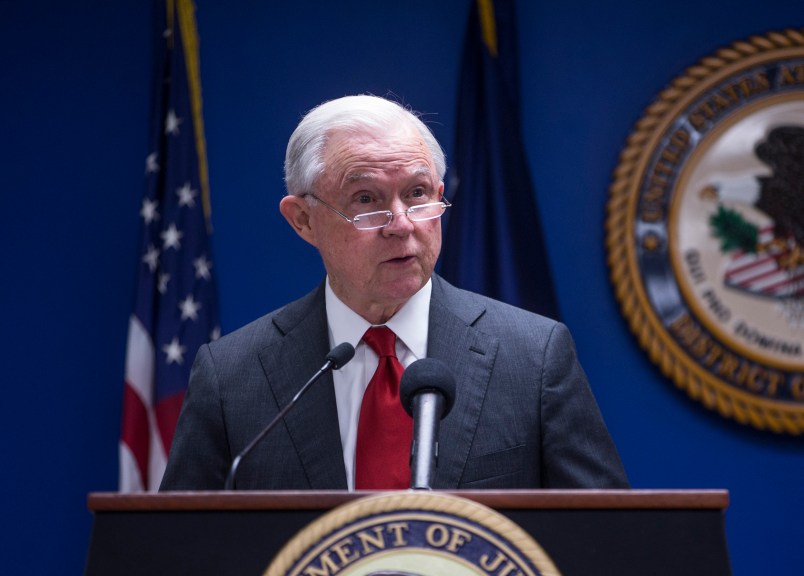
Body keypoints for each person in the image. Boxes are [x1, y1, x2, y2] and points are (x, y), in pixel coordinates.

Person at [160, 94, 628, 491]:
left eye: (418, 193)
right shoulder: (232, 377)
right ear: (303, 220)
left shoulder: (534, 357)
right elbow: (174, 552)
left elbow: (606, 542)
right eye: (366, 199)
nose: (402, 224)